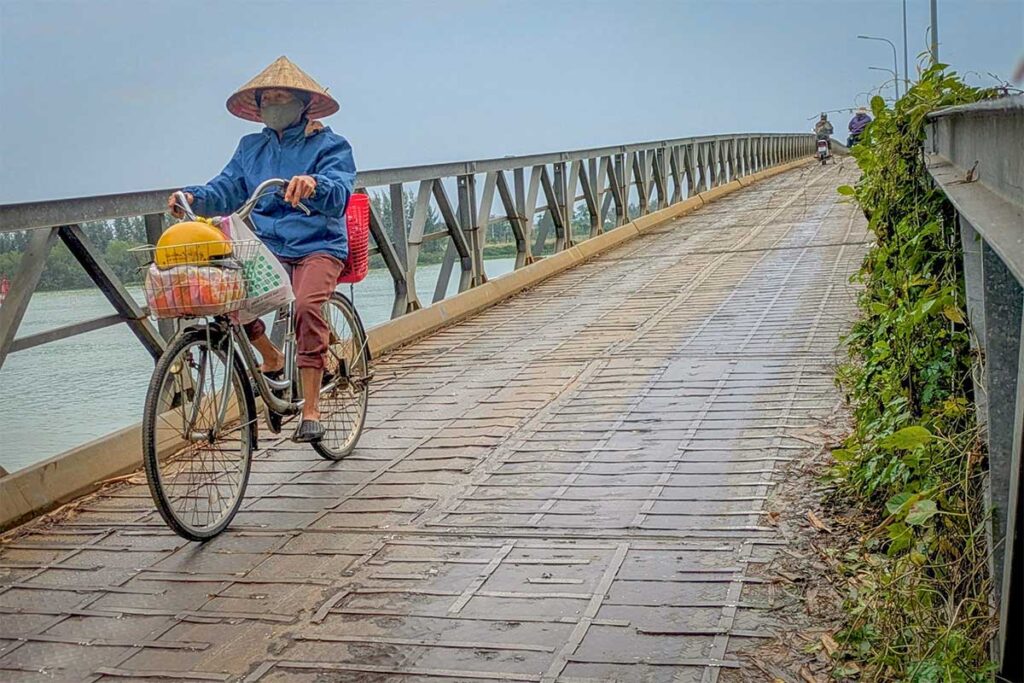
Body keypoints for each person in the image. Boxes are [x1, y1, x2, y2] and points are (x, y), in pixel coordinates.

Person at [168, 56, 356, 444]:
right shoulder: (250, 148)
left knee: (306, 306)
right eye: (266, 99)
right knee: (226, 297)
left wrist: (313, 184)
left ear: (303, 103)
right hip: (267, 247)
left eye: (281, 97)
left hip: (318, 243)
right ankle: (270, 356)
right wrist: (191, 196)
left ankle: (311, 409)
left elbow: (339, 190)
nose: (273, 104)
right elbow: (225, 188)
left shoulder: (330, 145)